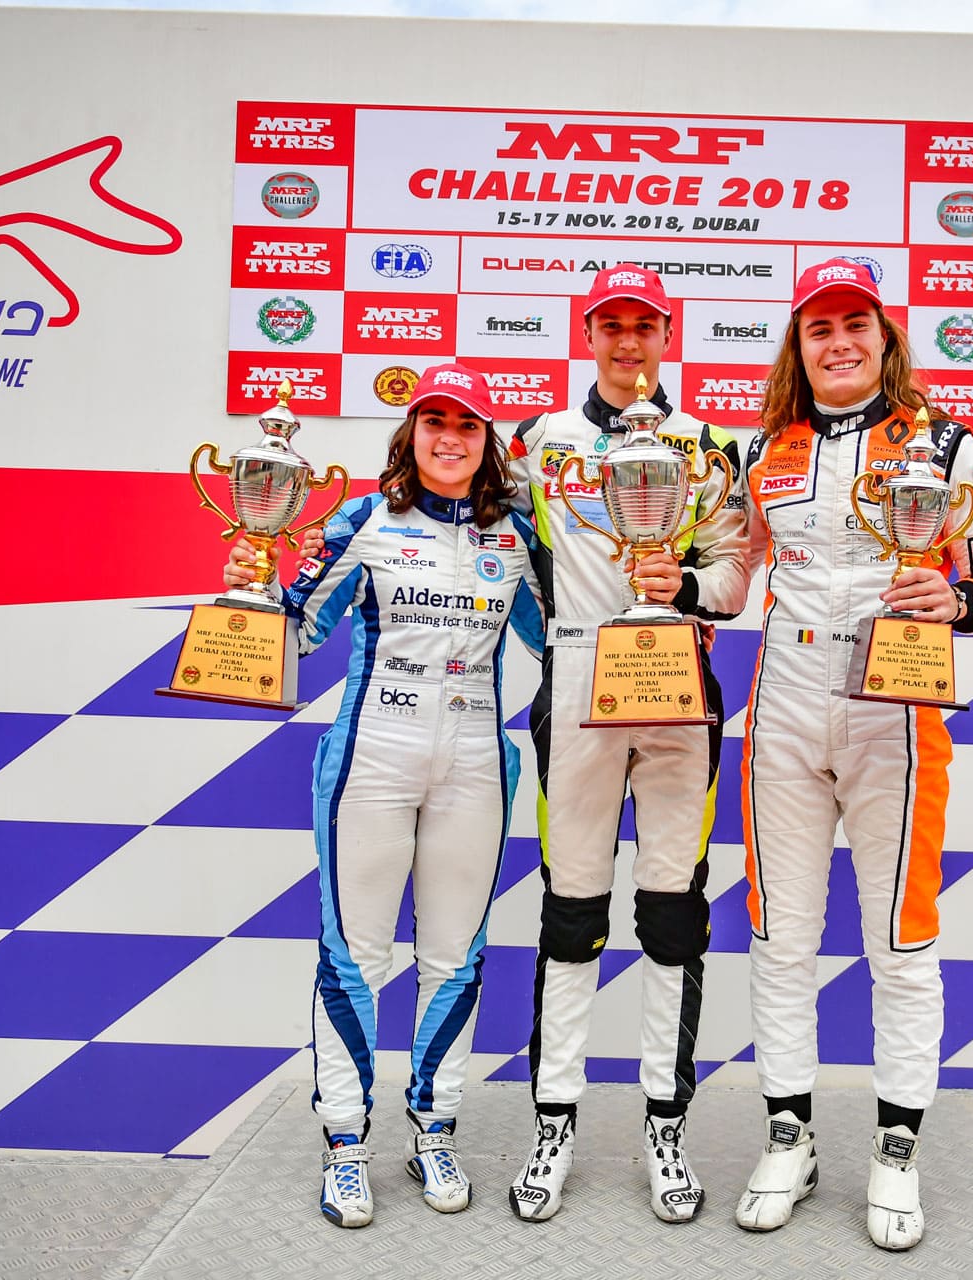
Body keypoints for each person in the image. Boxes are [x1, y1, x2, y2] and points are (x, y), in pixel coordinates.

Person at [731, 259, 973, 1250]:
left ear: (885, 336)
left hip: (894, 708)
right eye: (819, 328)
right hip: (784, 707)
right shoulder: (763, 448)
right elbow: (728, 572)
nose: (839, 342)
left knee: (899, 939)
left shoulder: (944, 443)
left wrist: (960, 599)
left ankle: (897, 1150)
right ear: (799, 345)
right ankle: (790, 1137)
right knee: (780, 934)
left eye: (855, 323)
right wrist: (664, 580)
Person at [230, 363, 546, 1228]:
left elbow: (561, 637)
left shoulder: (517, 534)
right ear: (411, 434)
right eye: (434, 421)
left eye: (468, 425)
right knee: (354, 957)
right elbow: (299, 629)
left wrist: (660, 612)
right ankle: (344, 1143)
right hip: (373, 754)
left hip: (475, 760)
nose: (450, 438)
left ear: (487, 442)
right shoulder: (363, 519)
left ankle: (434, 1130)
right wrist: (253, 583)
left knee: (456, 956)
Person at [500, 263, 751, 1223]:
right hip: (577, 688)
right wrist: (561, 640)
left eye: (644, 326)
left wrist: (680, 588)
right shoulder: (538, 442)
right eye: (612, 325)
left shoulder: (709, 447)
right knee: (570, 913)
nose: (628, 341)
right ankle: (553, 1121)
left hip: (677, 687)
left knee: (673, 914)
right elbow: (505, 557)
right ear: (589, 333)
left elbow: (734, 577)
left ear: (666, 334)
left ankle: (665, 1125)